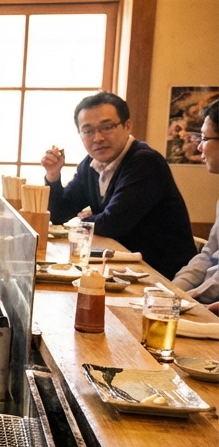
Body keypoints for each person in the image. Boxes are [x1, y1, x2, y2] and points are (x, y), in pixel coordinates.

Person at [43, 91, 196, 280]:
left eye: (107, 127)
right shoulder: (90, 165)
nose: (97, 138)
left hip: (162, 276)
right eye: (88, 131)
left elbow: (112, 224)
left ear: (127, 126)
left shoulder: (145, 162)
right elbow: (59, 214)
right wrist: (53, 175)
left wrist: (81, 223)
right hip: (124, 270)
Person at [175, 100, 219, 312]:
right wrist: (174, 290)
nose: (199, 146)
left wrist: (190, 299)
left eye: (204, 138)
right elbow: (209, 252)